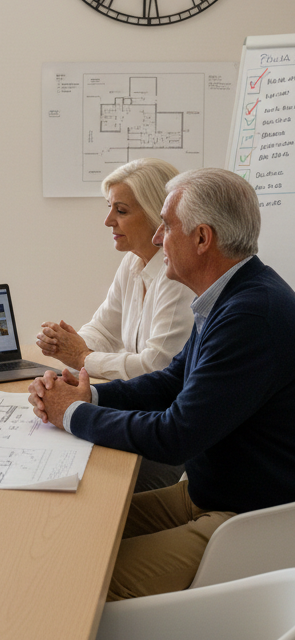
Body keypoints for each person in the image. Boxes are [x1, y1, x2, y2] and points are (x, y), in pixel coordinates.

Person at [28, 168, 295, 601]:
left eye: (167, 227)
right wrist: (87, 393)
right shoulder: (230, 296)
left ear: (202, 238)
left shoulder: (251, 315)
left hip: (243, 518)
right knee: (70, 530)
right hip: (205, 494)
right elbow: (172, 380)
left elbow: (175, 436)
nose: (157, 239)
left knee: (78, 580)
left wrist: (72, 413)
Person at [36, 158, 196, 492]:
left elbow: (156, 366)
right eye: (110, 208)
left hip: (162, 432)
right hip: (138, 412)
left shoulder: (176, 276)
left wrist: (83, 358)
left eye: (121, 211)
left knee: (87, 479)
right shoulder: (132, 263)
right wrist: (70, 345)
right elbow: (103, 329)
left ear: (156, 215)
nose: (108, 220)